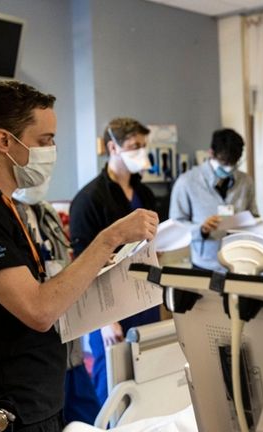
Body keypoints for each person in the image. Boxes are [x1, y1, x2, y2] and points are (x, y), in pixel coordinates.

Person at [0, 81, 158, 432]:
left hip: (40, 400)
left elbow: (44, 291)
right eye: (45, 140)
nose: (52, 149)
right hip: (7, 410)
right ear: (4, 141)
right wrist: (109, 238)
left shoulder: (4, 207)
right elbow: (38, 309)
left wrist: (103, 267)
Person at [69, 117, 160, 405]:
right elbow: (84, 263)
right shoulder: (89, 199)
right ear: (113, 147)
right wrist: (107, 321)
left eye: (144, 146)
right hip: (108, 307)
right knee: (110, 387)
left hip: (144, 297)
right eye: (134, 146)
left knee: (148, 379)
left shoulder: (144, 193)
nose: (141, 153)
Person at [13, 180, 101, 425]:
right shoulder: (3, 218)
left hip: (70, 354)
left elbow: (64, 268)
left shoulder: (47, 213)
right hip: (36, 365)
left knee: (88, 423)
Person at [169, 128, 259, 272]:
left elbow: (254, 215)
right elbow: (176, 226)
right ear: (211, 153)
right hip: (204, 264)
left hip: (239, 262)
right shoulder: (187, 182)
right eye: (224, 162)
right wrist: (201, 229)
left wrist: (254, 224)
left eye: (233, 163)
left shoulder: (246, 181)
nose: (228, 168)